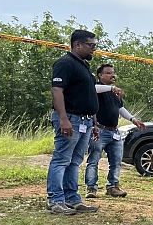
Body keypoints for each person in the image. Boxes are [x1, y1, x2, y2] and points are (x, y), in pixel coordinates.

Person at [46, 30, 101, 214]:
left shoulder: (83, 66)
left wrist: (94, 122)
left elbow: (88, 95)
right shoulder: (65, 63)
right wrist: (63, 118)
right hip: (71, 119)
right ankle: (55, 200)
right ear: (78, 44)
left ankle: (72, 199)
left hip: (85, 121)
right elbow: (57, 91)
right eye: (91, 45)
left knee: (75, 161)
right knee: (61, 159)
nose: (94, 49)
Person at [85, 63, 146, 198]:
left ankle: (113, 186)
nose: (113, 75)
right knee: (93, 160)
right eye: (108, 73)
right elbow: (93, 89)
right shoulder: (98, 88)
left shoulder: (114, 94)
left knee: (116, 161)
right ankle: (91, 188)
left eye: (113, 72)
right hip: (100, 130)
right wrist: (111, 88)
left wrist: (133, 119)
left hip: (114, 132)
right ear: (101, 75)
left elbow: (120, 108)